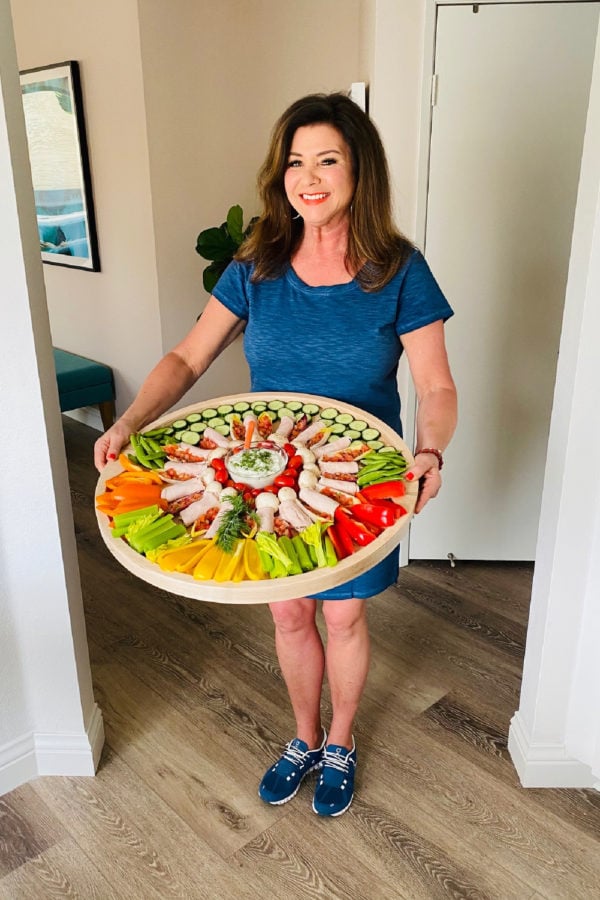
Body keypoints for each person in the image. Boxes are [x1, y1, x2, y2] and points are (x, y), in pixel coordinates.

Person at [94, 92, 457, 818]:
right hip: (260, 485)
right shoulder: (256, 263)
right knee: (290, 617)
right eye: (296, 161)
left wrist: (429, 451)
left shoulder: (399, 271)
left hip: (353, 487)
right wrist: (130, 420)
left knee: (344, 618)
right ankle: (303, 736)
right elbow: (188, 356)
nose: (309, 176)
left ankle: (342, 741)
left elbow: (436, 384)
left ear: (361, 171)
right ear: (279, 173)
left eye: (328, 159)